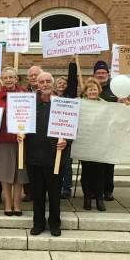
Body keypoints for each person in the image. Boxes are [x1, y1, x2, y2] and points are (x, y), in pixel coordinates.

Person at [23, 71, 68, 236]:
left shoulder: (62, 104)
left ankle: (55, 223)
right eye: (42, 82)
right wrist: (20, 133)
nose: (45, 84)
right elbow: (20, 122)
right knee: (37, 193)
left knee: (55, 193)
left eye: (48, 81)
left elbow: (71, 127)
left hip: (54, 157)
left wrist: (66, 141)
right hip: (34, 156)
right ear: (37, 84)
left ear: (53, 84)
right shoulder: (29, 103)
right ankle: (38, 223)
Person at [0, 67, 29, 215]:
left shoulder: (25, 94)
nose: (8, 80)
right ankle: (8, 203)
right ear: (2, 80)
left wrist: (25, 132)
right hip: (3, 140)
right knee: (5, 173)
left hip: (20, 140)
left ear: (16, 78)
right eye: (5, 77)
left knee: (19, 173)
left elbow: (31, 116)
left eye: (11, 77)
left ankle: (17, 203)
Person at [79, 78, 107, 212]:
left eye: (94, 89)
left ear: (98, 91)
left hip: (100, 144)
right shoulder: (80, 104)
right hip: (85, 144)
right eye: (89, 89)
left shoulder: (106, 105)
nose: (92, 91)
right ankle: (87, 197)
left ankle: (99, 198)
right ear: (85, 91)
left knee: (100, 173)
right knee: (86, 172)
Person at [92, 60, 117, 201]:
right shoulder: (89, 88)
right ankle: (94, 191)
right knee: (94, 165)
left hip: (109, 134)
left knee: (108, 164)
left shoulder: (115, 89)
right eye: (98, 73)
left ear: (108, 74)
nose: (101, 75)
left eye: (103, 72)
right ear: (94, 74)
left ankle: (108, 191)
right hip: (93, 134)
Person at [54, 63, 79, 199]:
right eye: (59, 82)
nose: (61, 84)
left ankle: (66, 188)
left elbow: (73, 81)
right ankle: (56, 186)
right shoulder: (51, 97)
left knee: (67, 163)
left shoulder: (70, 96)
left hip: (67, 134)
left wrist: (72, 63)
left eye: (64, 83)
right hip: (53, 133)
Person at [22, 65, 42, 202]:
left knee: (40, 165)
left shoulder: (48, 92)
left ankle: (40, 191)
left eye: (36, 74)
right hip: (27, 133)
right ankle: (29, 192)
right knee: (27, 164)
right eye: (31, 75)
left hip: (42, 134)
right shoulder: (23, 93)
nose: (34, 77)